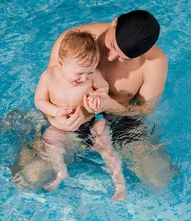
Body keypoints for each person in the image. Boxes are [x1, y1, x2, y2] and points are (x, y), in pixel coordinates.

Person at [10, 10, 174, 190]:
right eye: (110, 46)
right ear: (114, 22)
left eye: (123, 58)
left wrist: (113, 106)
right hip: (71, 119)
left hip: (120, 121)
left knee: (159, 179)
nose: (111, 57)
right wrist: (57, 120)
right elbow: (50, 91)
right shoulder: (72, 43)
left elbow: (146, 109)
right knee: (28, 178)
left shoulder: (155, 62)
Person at [34, 30, 127, 201]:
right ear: (61, 63)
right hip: (61, 124)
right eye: (79, 74)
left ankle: (119, 184)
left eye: (89, 72)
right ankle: (61, 171)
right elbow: (39, 100)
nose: (85, 78)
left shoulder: (92, 75)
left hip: (92, 119)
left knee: (106, 146)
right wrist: (55, 112)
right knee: (50, 139)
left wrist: (97, 98)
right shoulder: (48, 77)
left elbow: (103, 88)